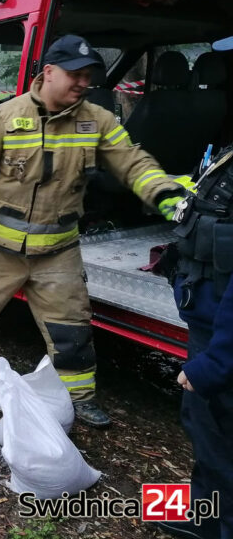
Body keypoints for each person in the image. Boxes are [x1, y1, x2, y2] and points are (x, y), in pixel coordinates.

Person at [0, 34, 186, 428]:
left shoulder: (97, 121)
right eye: (75, 74)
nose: (83, 82)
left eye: (88, 75)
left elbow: (131, 162)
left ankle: (80, 399)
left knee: (72, 332)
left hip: (58, 252)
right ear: (48, 72)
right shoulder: (1, 118)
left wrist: (163, 192)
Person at [159, 34, 233, 539]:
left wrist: (214, 363)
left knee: (211, 428)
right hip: (206, 320)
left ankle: (210, 525)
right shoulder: (224, 153)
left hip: (219, 341)